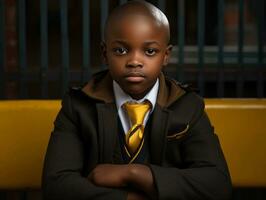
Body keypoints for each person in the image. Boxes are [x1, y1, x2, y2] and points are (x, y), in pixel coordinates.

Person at [42, 1, 232, 199]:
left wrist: (134, 174)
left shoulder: (187, 106)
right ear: (104, 53)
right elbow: (56, 186)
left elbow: (218, 184)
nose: (134, 61)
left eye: (149, 51)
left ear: (166, 55)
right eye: (121, 51)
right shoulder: (78, 106)